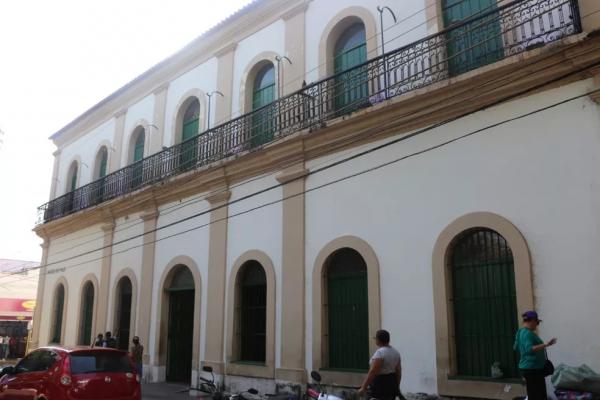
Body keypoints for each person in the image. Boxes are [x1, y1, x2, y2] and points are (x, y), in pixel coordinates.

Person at [514, 310, 557, 400]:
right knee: (537, 395)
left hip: (531, 368)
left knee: (536, 394)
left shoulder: (520, 332)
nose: (537, 325)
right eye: (537, 322)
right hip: (532, 369)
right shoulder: (527, 334)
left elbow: (516, 347)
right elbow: (529, 349)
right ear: (532, 320)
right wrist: (546, 344)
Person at [358, 330, 402, 400]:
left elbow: (373, 372)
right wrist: (397, 385)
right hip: (392, 382)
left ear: (379, 340)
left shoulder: (380, 353)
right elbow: (398, 371)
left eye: (376, 338)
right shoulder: (395, 352)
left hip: (380, 384)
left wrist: (363, 387)